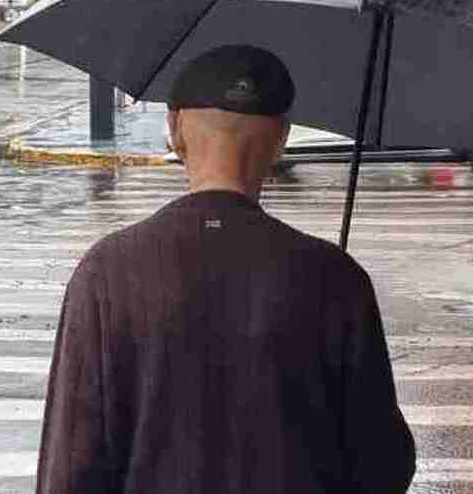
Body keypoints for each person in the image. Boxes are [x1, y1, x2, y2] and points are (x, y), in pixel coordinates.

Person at [36, 45, 416, 494]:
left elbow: (71, 466)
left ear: (174, 129)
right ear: (281, 139)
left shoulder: (107, 273)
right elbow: (383, 465)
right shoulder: (335, 278)